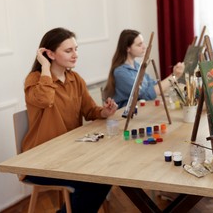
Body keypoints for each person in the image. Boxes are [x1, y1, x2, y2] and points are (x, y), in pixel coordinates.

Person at [22, 27, 118, 213]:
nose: (75, 55)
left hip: (70, 154)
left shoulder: (75, 79)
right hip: (39, 161)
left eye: (76, 49)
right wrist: (45, 67)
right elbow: (45, 99)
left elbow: (89, 110)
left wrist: (104, 112)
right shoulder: (34, 80)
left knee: (107, 175)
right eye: (68, 50)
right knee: (93, 182)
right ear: (49, 53)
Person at [103, 29, 185, 108]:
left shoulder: (136, 65)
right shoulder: (120, 73)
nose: (144, 47)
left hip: (140, 109)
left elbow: (153, 84)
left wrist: (173, 76)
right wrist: (174, 76)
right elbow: (146, 95)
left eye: (143, 43)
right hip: (124, 116)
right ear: (127, 48)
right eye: (139, 45)